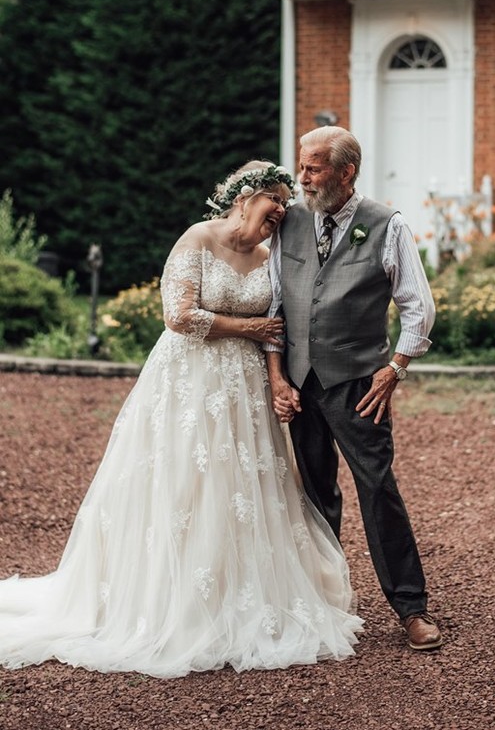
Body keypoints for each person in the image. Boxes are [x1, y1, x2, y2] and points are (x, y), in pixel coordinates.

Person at [0, 161, 363, 677]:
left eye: (286, 203)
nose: (283, 210)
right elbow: (179, 315)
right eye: (275, 199)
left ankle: (241, 593)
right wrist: (250, 326)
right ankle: (169, 600)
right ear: (245, 198)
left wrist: (277, 375)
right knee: (185, 482)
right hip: (188, 383)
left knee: (242, 485)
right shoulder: (197, 238)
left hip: (245, 388)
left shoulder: (269, 255)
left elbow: (277, 327)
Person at [266, 127, 442, 652]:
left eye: (314, 168)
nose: (302, 178)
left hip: (359, 383)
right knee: (315, 494)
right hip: (299, 384)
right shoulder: (288, 221)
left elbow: (419, 306)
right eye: (301, 166)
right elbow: (274, 305)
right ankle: (326, 602)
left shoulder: (387, 225)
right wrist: (277, 377)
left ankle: (411, 608)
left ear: (347, 173)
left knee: (377, 488)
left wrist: (396, 368)